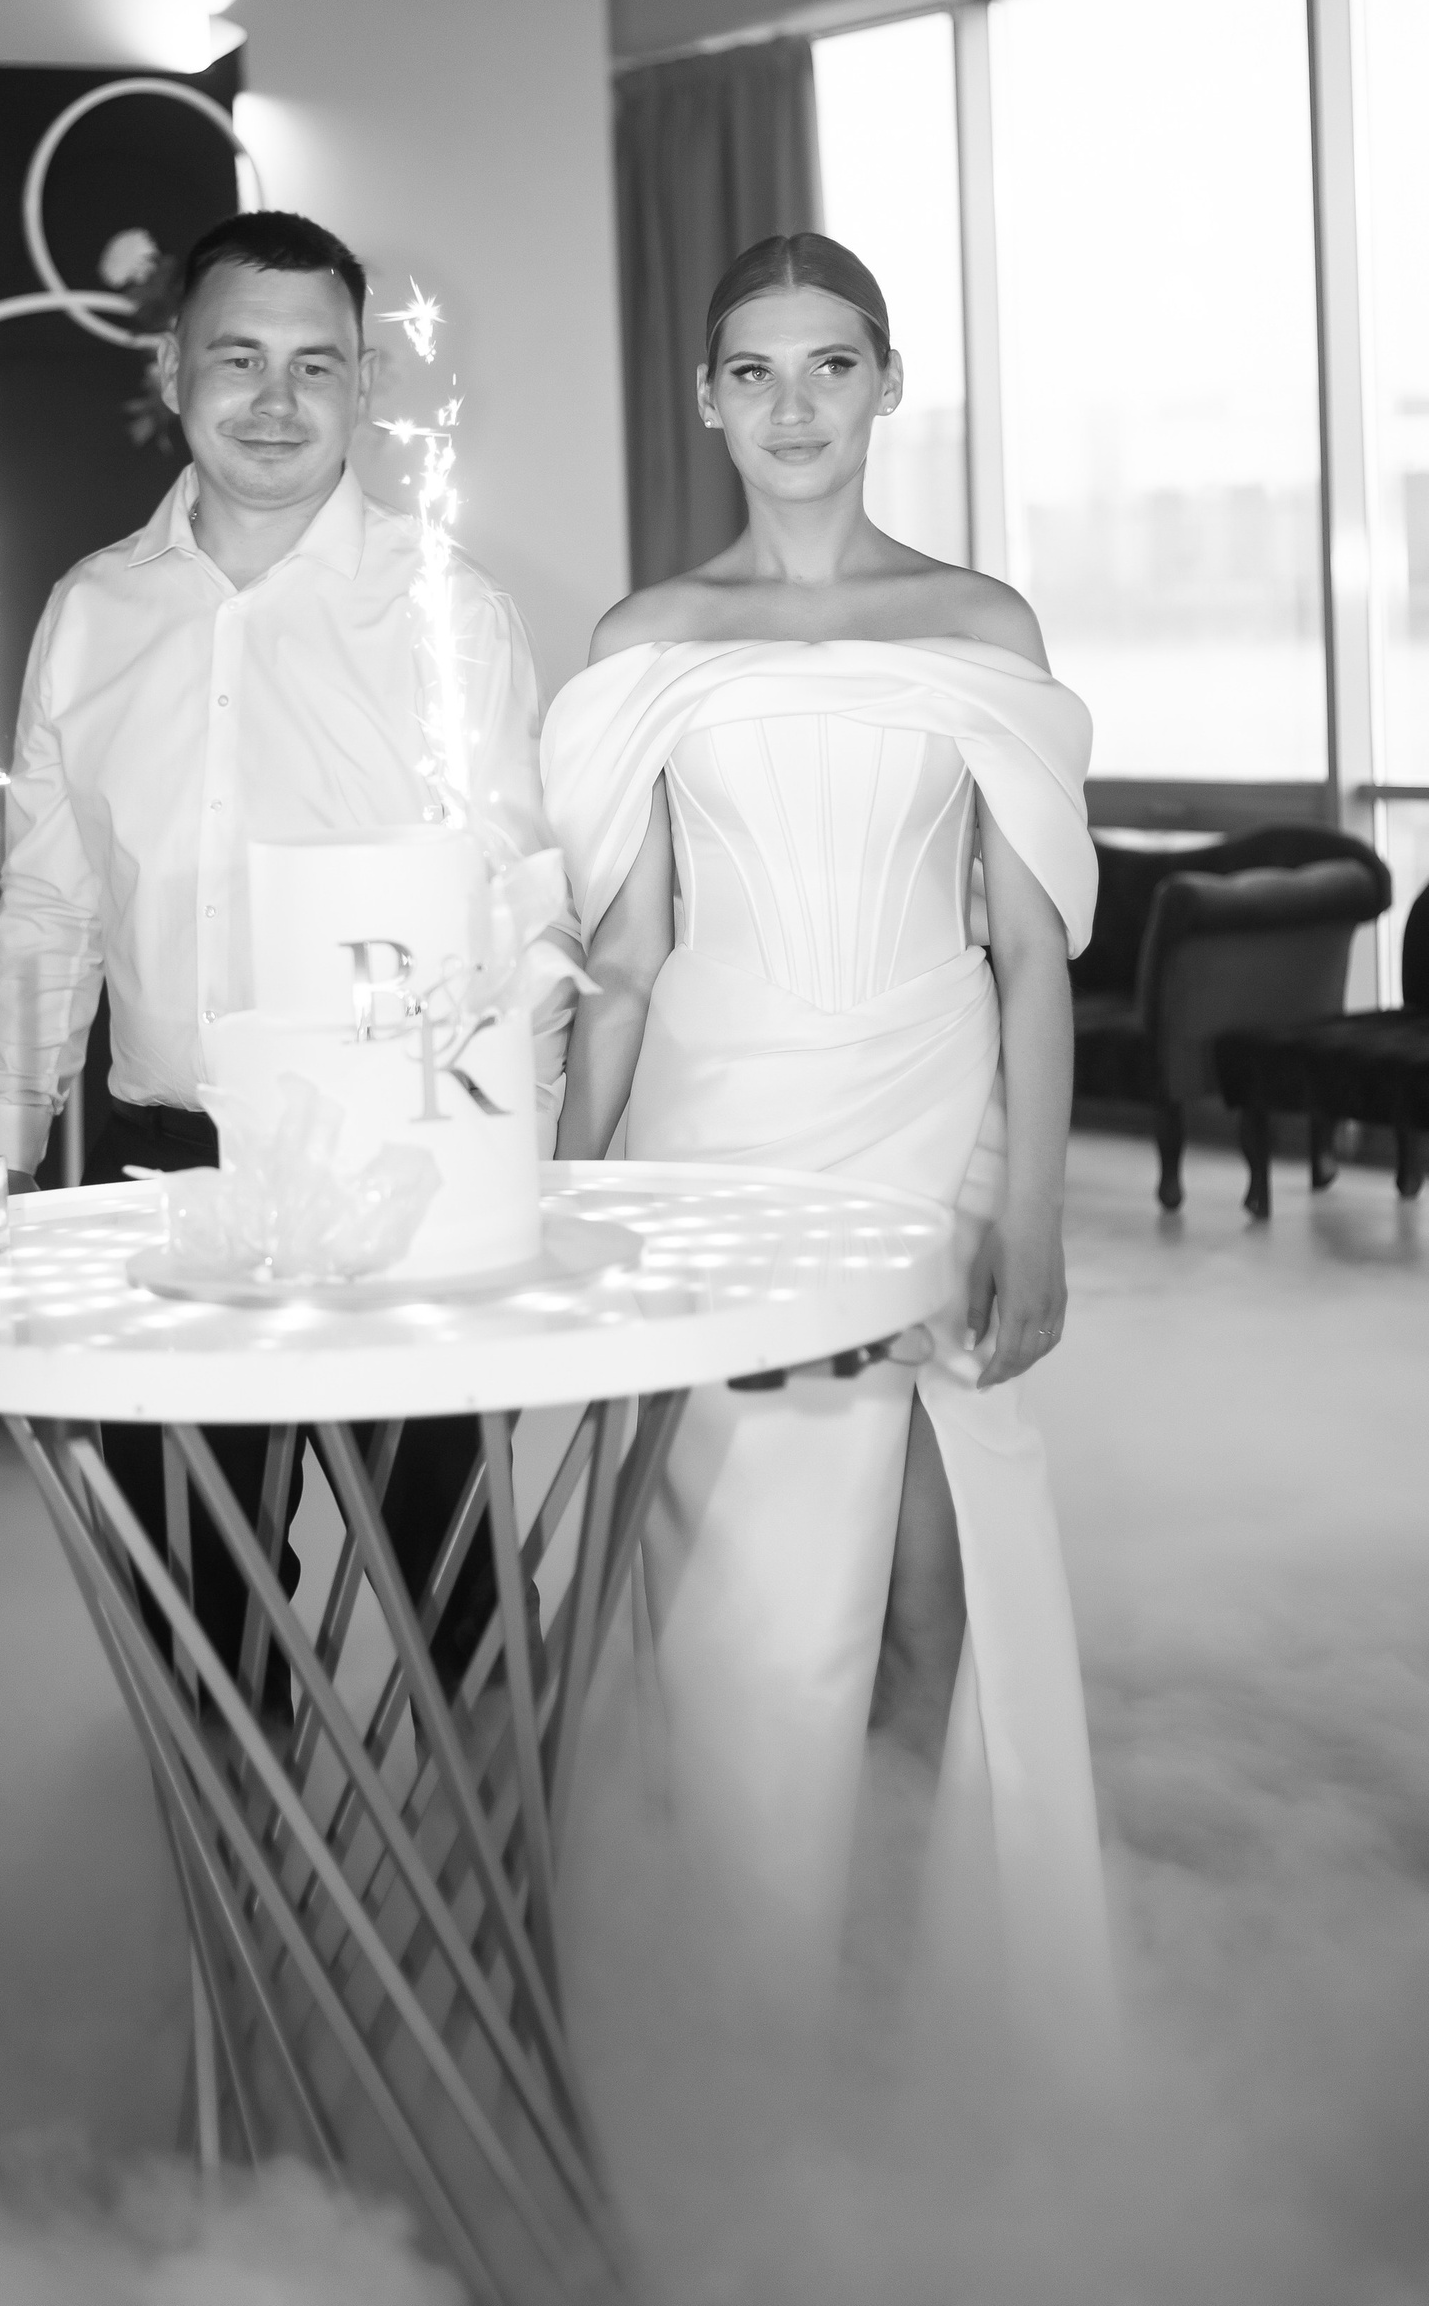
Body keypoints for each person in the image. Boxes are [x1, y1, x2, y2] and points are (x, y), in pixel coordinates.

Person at [544, 231, 1115, 2079]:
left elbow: (1030, 952)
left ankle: (905, 2002)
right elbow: (626, 959)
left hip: (928, 1127)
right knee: (735, 1611)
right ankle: (742, 2006)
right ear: (707, 397)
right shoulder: (644, 640)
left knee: (934, 1594)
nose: (794, 406)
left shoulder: (981, 626)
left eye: (832, 366)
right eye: (756, 370)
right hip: (714, 1143)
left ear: (888, 383)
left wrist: (1035, 1215)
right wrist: (547, 1202)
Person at [0, 208, 576, 1710]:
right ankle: (240, 1868)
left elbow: (517, 913)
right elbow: (48, 908)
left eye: (318, 364)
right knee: (196, 1604)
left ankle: (493, 1854)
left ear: (364, 384)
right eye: (238, 357)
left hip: (408, 1172)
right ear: (172, 370)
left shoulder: (446, 611)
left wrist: (523, 1180)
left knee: (456, 1597)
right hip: (170, 1166)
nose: (276, 399)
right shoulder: (91, 612)